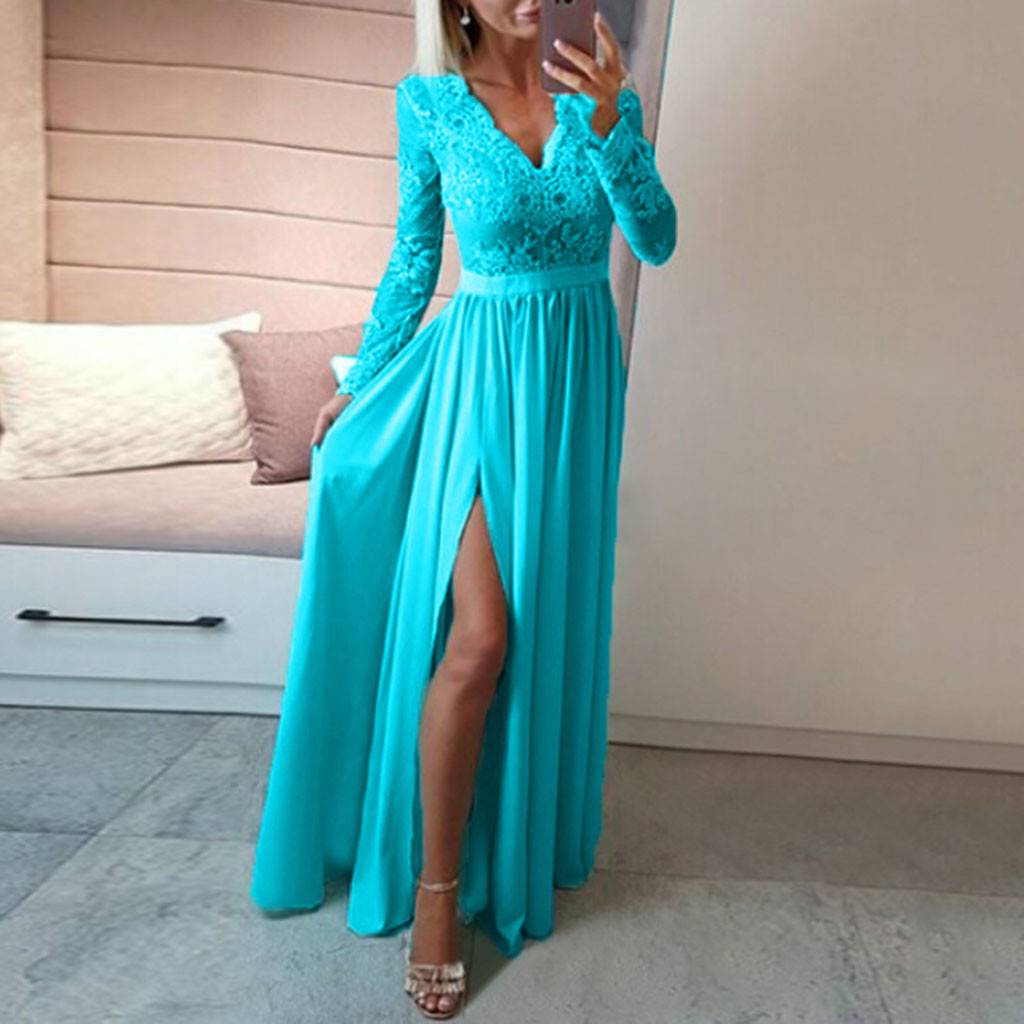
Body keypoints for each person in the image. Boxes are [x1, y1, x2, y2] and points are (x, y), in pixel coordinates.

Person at [250, 0, 676, 1016]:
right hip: (478, 385)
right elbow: (413, 258)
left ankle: (502, 839)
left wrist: (615, 127)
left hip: (573, 392)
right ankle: (436, 890)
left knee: (535, 636)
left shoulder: (596, 94)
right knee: (479, 640)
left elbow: (655, 240)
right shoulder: (431, 104)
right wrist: (365, 380)